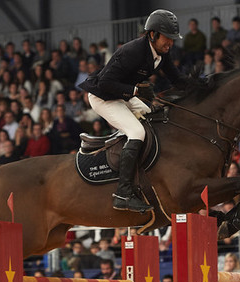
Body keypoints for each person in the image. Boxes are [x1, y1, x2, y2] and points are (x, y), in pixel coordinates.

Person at [78, 9, 185, 213]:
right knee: (137, 132)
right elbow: (105, 82)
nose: (170, 43)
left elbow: (178, 79)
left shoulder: (161, 53)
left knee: (155, 118)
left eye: (172, 39)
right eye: (167, 38)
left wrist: (203, 86)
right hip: (103, 96)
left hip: (123, 95)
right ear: (153, 34)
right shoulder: (133, 50)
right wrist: (135, 90)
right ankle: (123, 193)